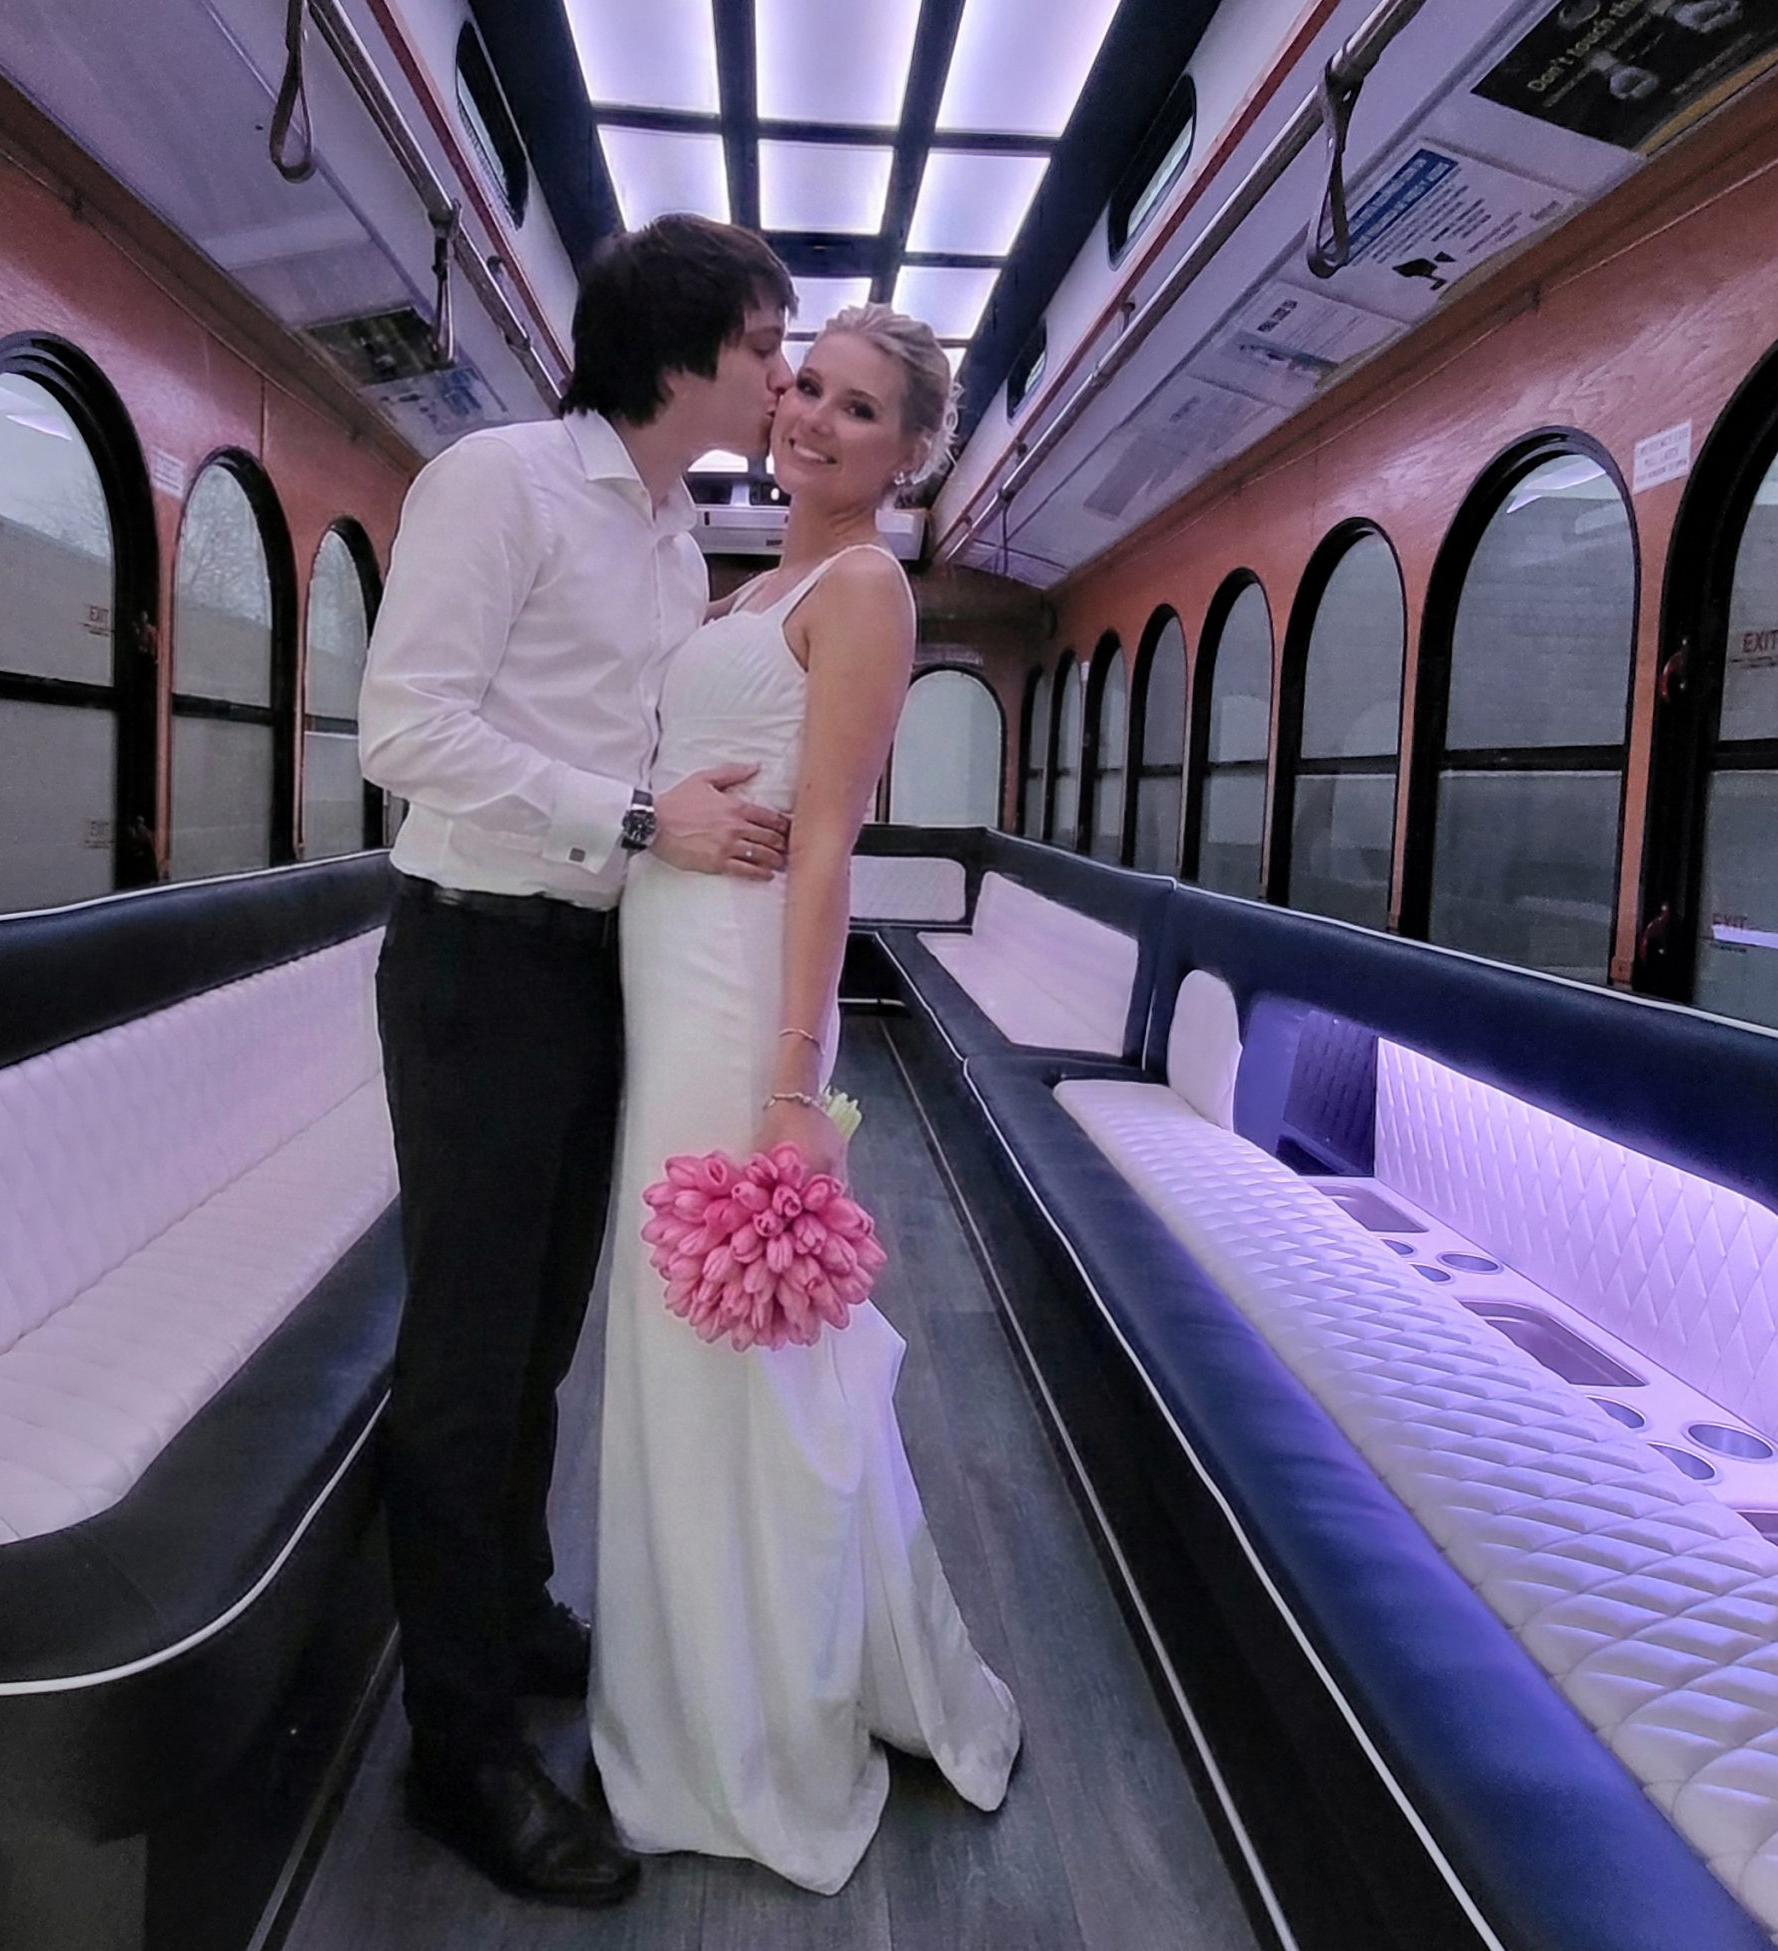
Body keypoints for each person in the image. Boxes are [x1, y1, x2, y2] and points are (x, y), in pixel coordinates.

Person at [357, 213, 798, 1909]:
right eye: (767, 344)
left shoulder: (679, 533)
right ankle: (455, 1753)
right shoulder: (502, 483)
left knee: (543, 1329)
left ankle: (510, 1608)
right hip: (476, 959)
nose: (778, 376)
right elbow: (406, 727)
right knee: (467, 1354)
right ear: (684, 347)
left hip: (595, 967)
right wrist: (634, 817)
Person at [591, 304, 1024, 1894]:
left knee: (737, 1352)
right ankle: (689, 1685)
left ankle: (753, 1723)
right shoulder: (752, 579)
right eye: (810, 390)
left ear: (911, 455)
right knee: (672, 1340)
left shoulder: (865, 591)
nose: (818, 421)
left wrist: (794, 1081)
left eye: (861, 410)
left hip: (738, 1002)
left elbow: (827, 841)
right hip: (668, 967)